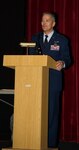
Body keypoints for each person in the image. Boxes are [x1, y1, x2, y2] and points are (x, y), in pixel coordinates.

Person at [29, 11, 71, 148]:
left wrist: (62, 63)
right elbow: (29, 58)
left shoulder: (62, 39)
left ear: (53, 23)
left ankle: (51, 145)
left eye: (47, 20)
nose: (43, 23)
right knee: (36, 114)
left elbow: (67, 59)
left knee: (51, 115)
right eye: (42, 20)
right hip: (36, 81)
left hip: (53, 82)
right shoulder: (35, 38)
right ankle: (35, 142)